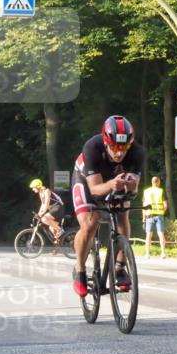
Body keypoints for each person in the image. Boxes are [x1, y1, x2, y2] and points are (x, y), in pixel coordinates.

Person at [70, 115, 144, 297]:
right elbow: (95, 190)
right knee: (89, 223)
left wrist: (131, 185)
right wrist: (112, 185)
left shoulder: (137, 152)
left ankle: (120, 266)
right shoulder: (92, 147)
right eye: (115, 147)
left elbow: (134, 190)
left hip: (113, 180)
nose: (119, 153)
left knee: (122, 213)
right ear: (106, 141)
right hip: (87, 180)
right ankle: (79, 269)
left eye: (124, 147)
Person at [142, 175, 169, 258]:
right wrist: (162, 212)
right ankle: (163, 253)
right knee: (161, 234)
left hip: (149, 215)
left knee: (148, 235)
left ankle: (147, 254)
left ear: (152, 182)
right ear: (158, 182)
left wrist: (143, 218)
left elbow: (143, 205)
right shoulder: (161, 191)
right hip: (159, 215)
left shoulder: (146, 191)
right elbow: (165, 205)